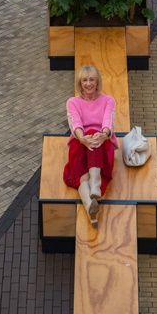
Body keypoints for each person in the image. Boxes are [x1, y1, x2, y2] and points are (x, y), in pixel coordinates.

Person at [63, 64, 117, 227]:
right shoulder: (73, 102)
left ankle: (94, 185)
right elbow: (75, 123)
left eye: (91, 79)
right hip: (81, 141)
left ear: (97, 81)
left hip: (102, 141)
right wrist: (82, 138)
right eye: (84, 80)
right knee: (81, 172)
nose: (88, 84)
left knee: (94, 131)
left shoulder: (108, 100)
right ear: (80, 83)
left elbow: (108, 120)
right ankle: (91, 203)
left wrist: (104, 135)